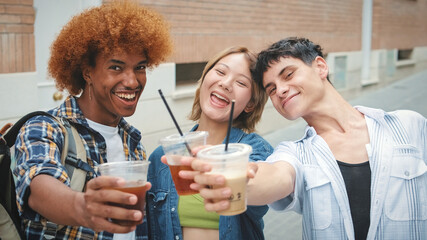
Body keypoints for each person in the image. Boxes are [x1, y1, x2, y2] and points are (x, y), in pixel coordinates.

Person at [190, 37, 427, 240]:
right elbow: (275, 177)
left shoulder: (408, 125)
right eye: (271, 89)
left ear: (321, 67)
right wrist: (235, 179)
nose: (280, 90)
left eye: (288, 74)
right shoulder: (295, 154)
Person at [13, 1, 172, 239]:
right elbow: (38, 189)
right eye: (116, 67)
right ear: (87, 72)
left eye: (140, 67)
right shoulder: (45, 127)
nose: (132, 81)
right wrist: (85, 207)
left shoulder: (133, 141)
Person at [146, 46, 274, 240]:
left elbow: (258, 182)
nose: (226, 83)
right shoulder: (162, 158)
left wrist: (237, 177)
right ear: (205, 78)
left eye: (241, 82)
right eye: (220, 72)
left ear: (250, 104)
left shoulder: (254, 150)